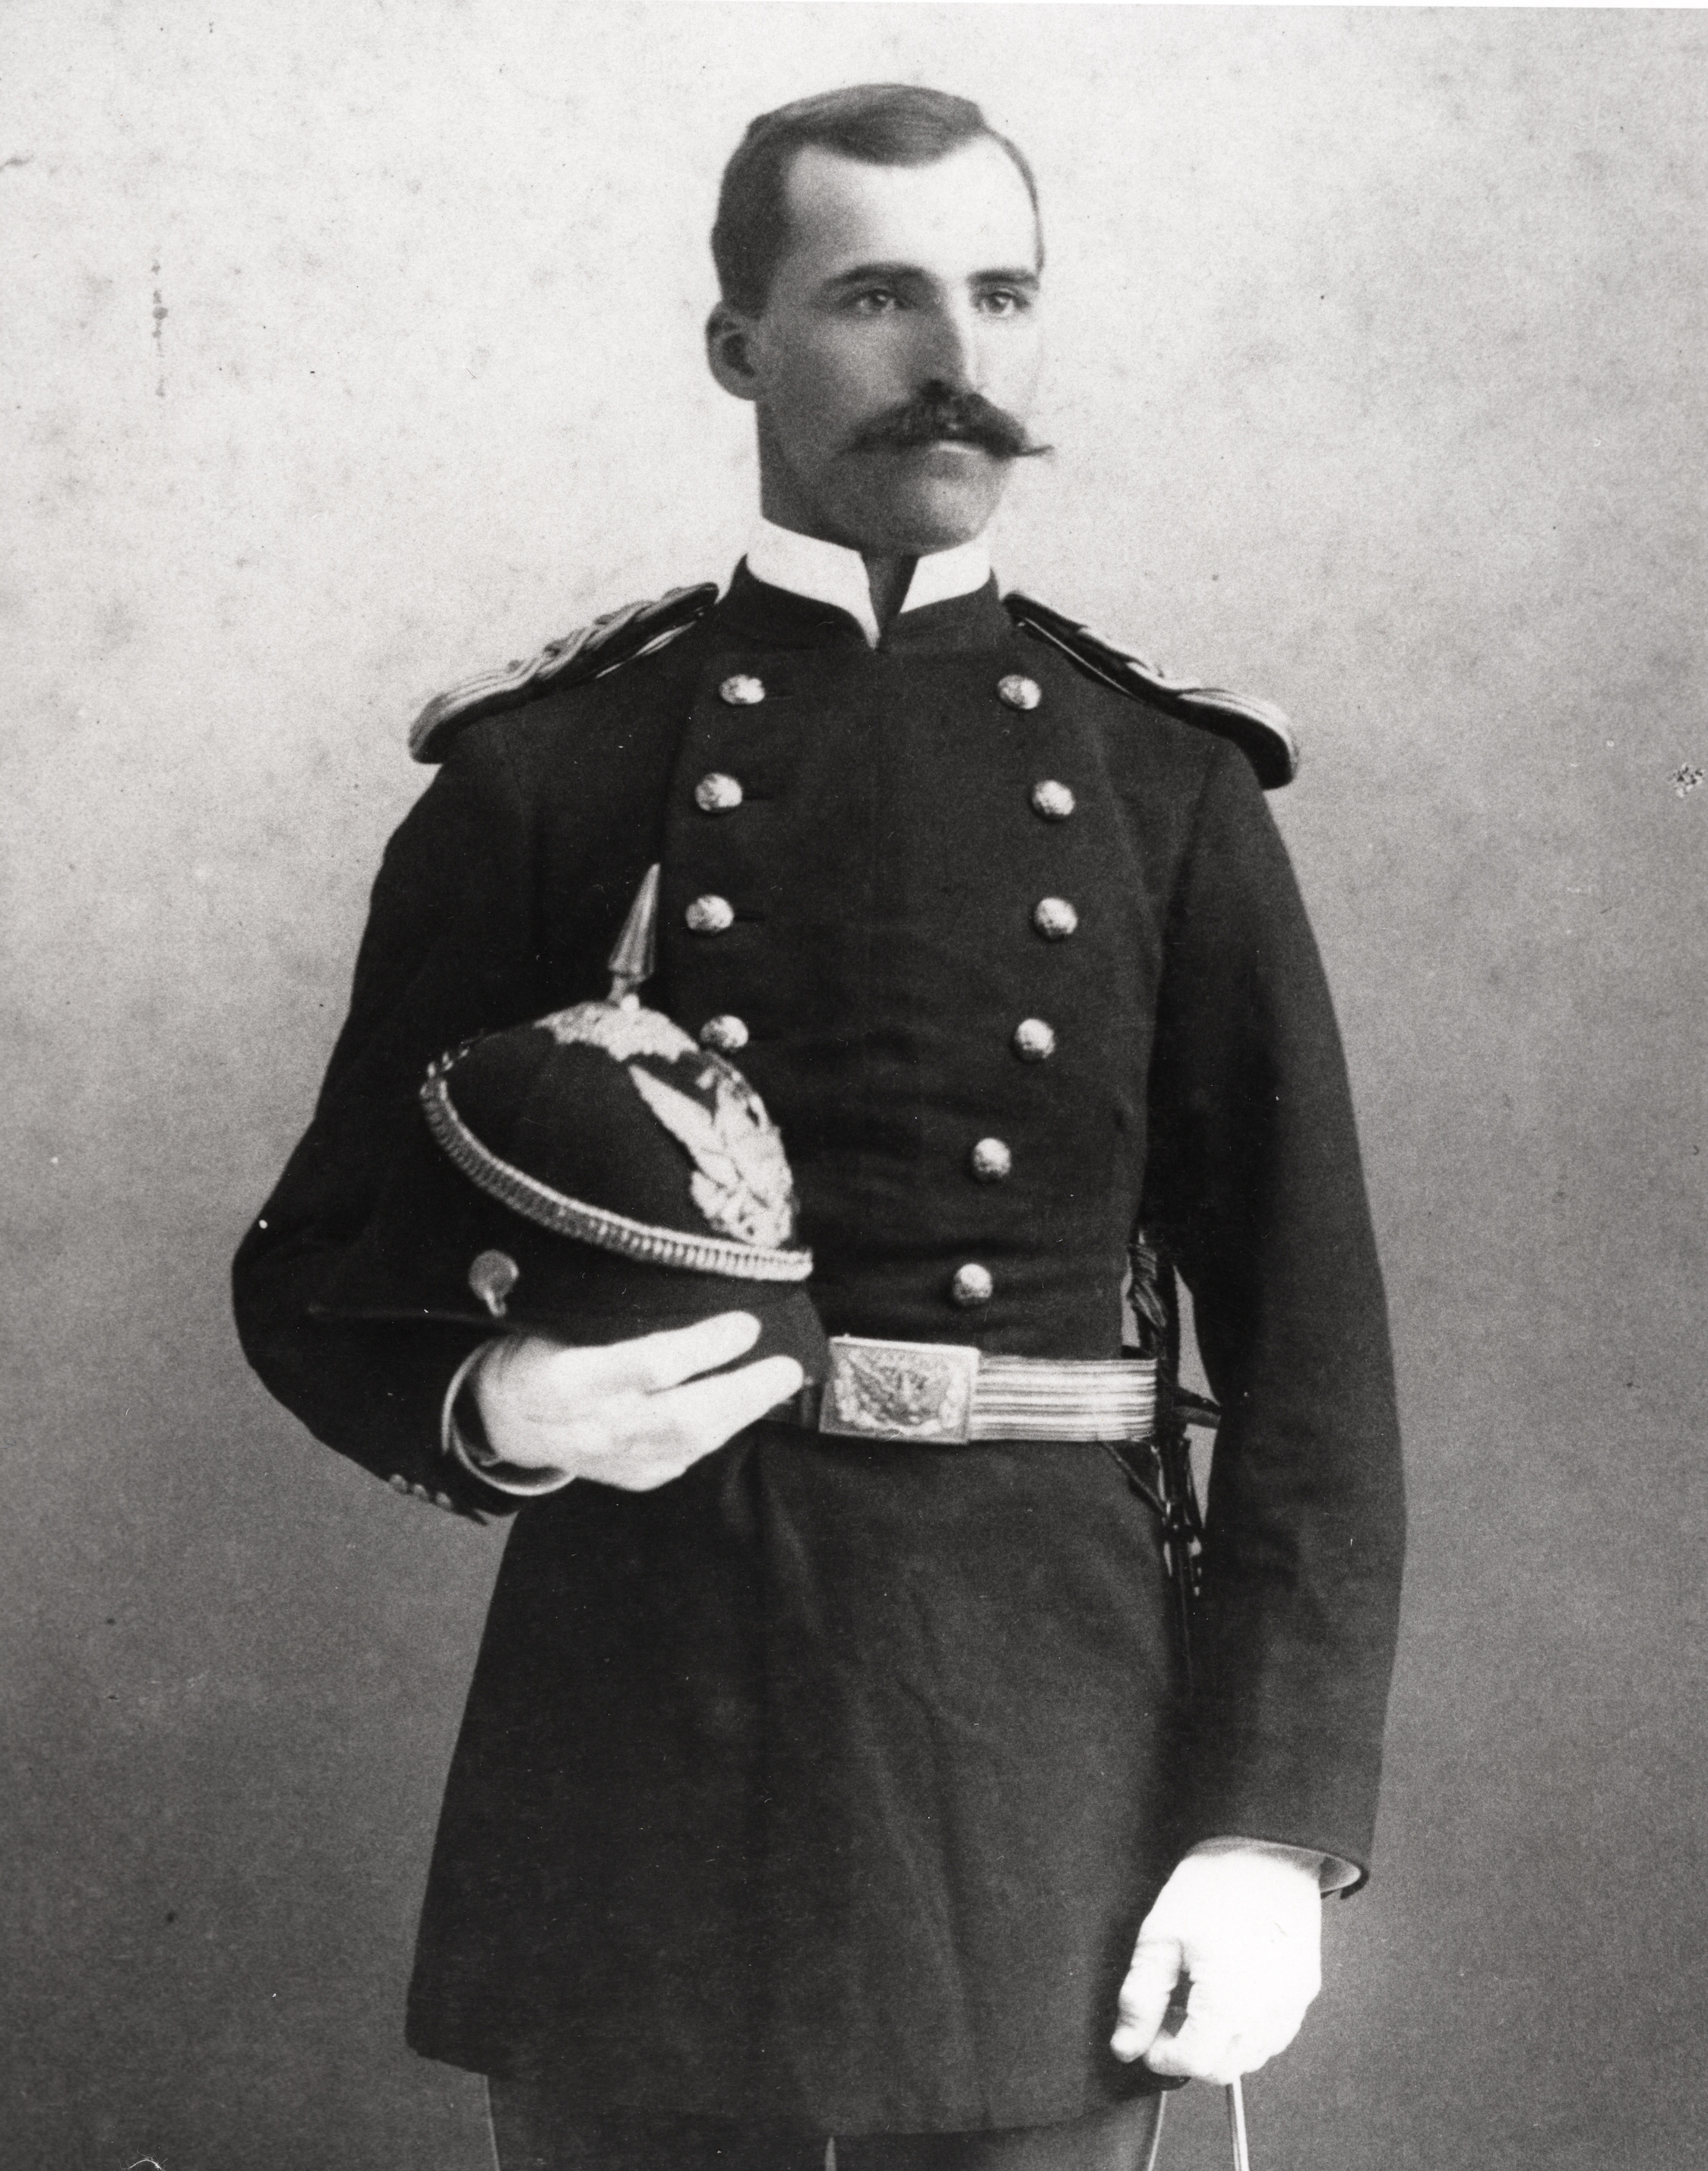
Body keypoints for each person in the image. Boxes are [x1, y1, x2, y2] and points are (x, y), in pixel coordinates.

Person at [233, 84, 1404, 2171]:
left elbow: (1313, 1363)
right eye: (874, 293)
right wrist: (503, 1402)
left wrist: (1270, 1826)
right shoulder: (552, 772)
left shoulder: (1164, 791)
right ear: (736, 345)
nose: (952, 354)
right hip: (651, 1734)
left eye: (1002, 293)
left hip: (1052, 1749)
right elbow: (318, 1273)